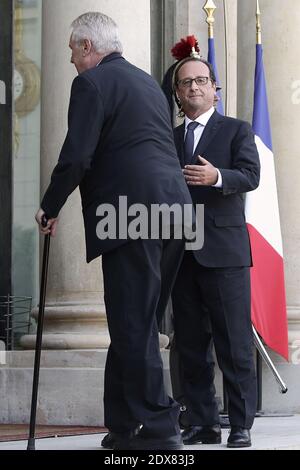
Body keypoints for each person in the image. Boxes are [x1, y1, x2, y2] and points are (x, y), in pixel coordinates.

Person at [35, 12, 194, 451]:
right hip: (174, 212)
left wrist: (50, 206)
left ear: (88, 47)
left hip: (130, 215)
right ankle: (124, 425)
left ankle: (159, 429)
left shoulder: (91, 84)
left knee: (132, 322)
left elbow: (77, 157)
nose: (70, 59)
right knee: (136, 322)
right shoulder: (146, 82)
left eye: (71, 49)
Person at [171, 56, 260, 448]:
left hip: (224, 254)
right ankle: (202, 423)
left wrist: (217, 176)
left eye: (202, 80)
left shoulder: (235, 130)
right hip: (180, 254)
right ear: (177, 92)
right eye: (186, 82)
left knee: (233, 343)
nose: (194, 87)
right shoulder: (168, 137)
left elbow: (251, 175)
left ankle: (240, 425)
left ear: (214, 89)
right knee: (190, 344)